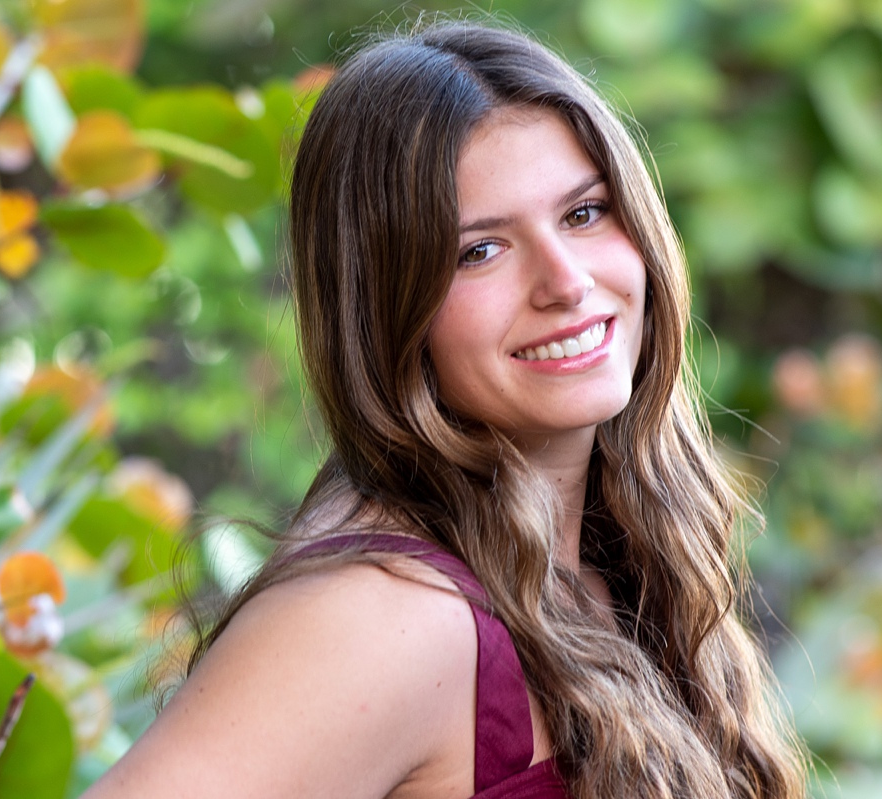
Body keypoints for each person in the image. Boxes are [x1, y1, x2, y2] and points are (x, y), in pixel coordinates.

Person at [83, 21, 808, 799]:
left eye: (584, 213)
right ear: (386, 312)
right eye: (480, 251)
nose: (565, 281)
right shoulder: (383, 614)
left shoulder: (620, 562)